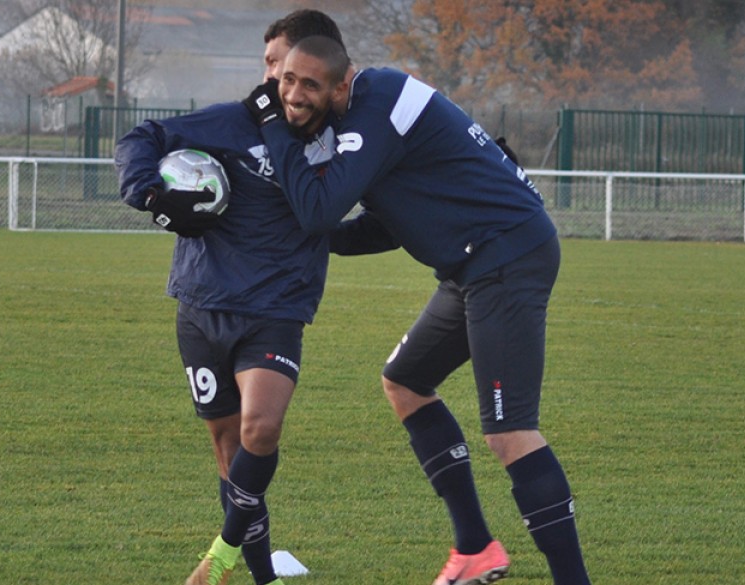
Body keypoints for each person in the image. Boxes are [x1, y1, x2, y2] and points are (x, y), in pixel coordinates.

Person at [244, 36, 593, 585]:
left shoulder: (374, 104)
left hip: (504, 255)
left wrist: (271, 132)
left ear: (338, 77)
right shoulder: (367, 111)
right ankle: (475, 547)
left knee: (510, 431)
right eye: (279, 75)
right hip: (475, 264)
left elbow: (317, 211)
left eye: (297, 77)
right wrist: (318, 238)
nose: (283, 89)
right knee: (405, 382)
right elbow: (387, 223)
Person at [114, 11, 344, 585]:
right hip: (201, 308)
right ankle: (263, 576)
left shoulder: (340, 138)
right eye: (269, 66)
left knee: (259, 431)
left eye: (284, 66)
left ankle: (218, 556)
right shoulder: (228, 123)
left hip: (275, 312)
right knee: (228, 453)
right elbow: (143, 137)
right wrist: (147, 193)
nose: (275, 80)